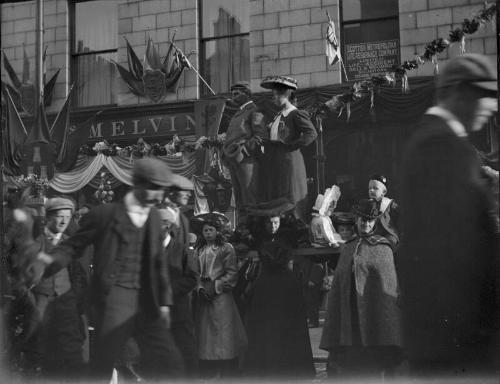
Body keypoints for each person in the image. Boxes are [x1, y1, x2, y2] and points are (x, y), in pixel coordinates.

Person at [31, 158, 187, 380]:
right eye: (154, 188)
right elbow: (71, 247)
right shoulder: (104, 215)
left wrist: (164, 303)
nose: (160, 196)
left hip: (147, 302)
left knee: (171, 362)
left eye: (162, 189)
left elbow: (157, 263)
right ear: (138, 184)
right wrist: (47, 262)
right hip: (114, 302)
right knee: (103, 366)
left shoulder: (153, 216)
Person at [399, 54, 499, 376]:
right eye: (486, 96)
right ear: (460, 94)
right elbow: (457, 253)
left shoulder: (440, 140)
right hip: (457, 344)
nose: (492, 107)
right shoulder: (440, 147)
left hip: (449, 341)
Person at [320, 199, 403, 378]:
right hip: (350, 310)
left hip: (373, 313)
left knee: (372, 362)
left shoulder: (383, 247)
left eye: (370, 221)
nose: (365, 224)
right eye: (362, 220)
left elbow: (387, 286)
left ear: (375, 222)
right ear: (356, 220)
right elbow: (340, 280)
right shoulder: (348, 247)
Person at [24, 197, 86, 377]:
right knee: (37, 343)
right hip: (40, 299)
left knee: (70, 347)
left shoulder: (71, 242)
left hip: (66, 300)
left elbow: (78, 274)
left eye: (67, 216)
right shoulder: (34, 241)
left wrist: (75, 296)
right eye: (59, 216)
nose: (64, 221)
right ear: (48, 217)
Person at [242, 238, 315, 380]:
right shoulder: (290, 279)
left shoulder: (262, 280)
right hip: (289, 345)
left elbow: (249, 303)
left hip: (267, 346)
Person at [191, 213, 247, 379]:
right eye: (205, 230)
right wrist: (200, 288)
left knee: (222, 331)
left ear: (218, 231)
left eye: (211, 230)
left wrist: (215, 287)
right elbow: (195, 273)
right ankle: (209, 366)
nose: (208, 233)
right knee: (206, 332)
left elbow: (232, 272)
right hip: (204, 298)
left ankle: (227, 366)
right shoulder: (199, 249)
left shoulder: (226, 248)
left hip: (221, 296)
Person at [259, 75, 318, 221]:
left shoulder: (296, 114)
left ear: (286, 94)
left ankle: (296, 227)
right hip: (276, 161)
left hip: (289, 161)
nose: (273, 98)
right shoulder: (278, 116)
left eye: (275, 95)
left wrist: (291, 145)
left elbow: (311, 133)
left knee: (291, 194)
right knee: (277, 195)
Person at [159, 206, 198, 376]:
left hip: (179, 312)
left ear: (166, 226)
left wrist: (167, 290)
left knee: (185, 352)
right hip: (154, 313)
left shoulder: (181, 249)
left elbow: (192, 278)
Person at [222, 81, 266, 222]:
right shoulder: (239, 113)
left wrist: (243, 151)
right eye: (232, 94)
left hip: (247, 161)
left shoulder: (254, 110)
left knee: (250, 198)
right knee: (240, 200)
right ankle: (243, 233)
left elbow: (260, 137)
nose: (233, 97)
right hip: (235, 161)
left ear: (247, 94)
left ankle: (253, 234)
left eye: (237, 94)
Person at [368, 175, 400, 250]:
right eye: (369, 188)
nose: (371, 190)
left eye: (375, 188)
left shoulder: (390, 205)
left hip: (387, 234)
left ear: (384, 192)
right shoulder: (367, 204)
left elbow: (398, 221)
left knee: (390, 242)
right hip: (372, 234)